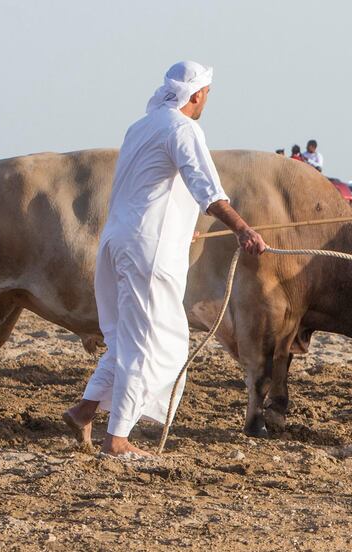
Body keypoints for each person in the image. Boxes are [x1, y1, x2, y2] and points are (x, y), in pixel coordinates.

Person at [63, 61, 267, 457]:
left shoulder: (141, 126)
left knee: (127, 338)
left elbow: (151, 190)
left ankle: (85, 410)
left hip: (117, 241)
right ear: (196, 95)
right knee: (159, 345)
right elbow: (208, 190)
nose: (208, 100)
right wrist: (243, 228)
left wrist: (179, 225)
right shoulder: (183, 128)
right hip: (146, 250)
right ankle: (117, 440)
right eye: (207, 93)